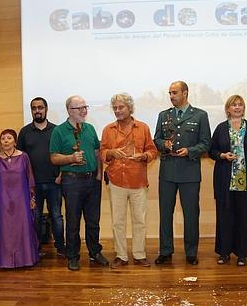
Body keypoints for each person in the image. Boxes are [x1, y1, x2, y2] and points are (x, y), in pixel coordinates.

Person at [153, 81, 211, 265]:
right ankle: (165, 251)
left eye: (175, 92)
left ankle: (191, 252)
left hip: (189, 172)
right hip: (168, 171)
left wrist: (190, 151)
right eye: (169, 93)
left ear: (185, 93)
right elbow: (157, 139)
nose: (171, 96)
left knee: (191, 214)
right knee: (165, 213)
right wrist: (164, 145)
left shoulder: (200, 115)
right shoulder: (164, 115)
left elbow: (205, 143)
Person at [50, 96, 109, 271]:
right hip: (72, 181)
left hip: (93, 180)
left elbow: (98, 153)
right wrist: (70, 158)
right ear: (69, 110)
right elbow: (53, 157)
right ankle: (73, 256)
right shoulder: (59, 131)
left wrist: (99, 174)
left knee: (93, 221)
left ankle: (94, 252)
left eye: (85, 107)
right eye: (79, 108)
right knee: (73, 221)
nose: (84, 110)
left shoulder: (90, 128)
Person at [100, 93, 158, 268]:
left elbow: (153, 151)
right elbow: (102, 153)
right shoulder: (108, 129)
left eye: (121, 107)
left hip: (138, 180)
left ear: (130, 108)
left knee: (139, 220)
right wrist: (111, 153)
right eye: (115, 108)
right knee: (118, 221)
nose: (117, 111)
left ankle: (139, 254)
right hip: (116, 180)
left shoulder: (143, 128)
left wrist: (144, 156)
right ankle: (121, 255)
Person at [209, 95, 247, 266]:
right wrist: (222, 155)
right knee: (225, 217)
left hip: (245, 179)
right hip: (224, 179)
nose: (237, 107)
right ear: (228, 109)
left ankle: (242, 254)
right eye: (234, 105)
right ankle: (224, 252)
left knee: (243, 217)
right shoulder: (221, 128)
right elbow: (211, 150)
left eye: (240, 104)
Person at [18, 97, 66, 257]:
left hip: (54, 182)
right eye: (34, 108)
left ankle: (60, 248)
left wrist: (61, 174)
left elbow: (63, 155)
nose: (37, 110)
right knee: (35, 217)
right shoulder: (24, 132)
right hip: (33, 184)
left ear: (46, 109)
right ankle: (35, 249)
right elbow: (20, 159)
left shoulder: (57, 130)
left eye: (40, 107)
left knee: (57, 216)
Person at [0, 129, 40, 268]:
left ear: (15, 141)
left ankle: (25, 259)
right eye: (3, 138)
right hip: (2, 201)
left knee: (23, 228)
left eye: (9, 138)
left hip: (22, 200)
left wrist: (32, 199)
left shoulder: (24, 157)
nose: (6, 141)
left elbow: (30, 179)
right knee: (5, 230)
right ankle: (5, 260)